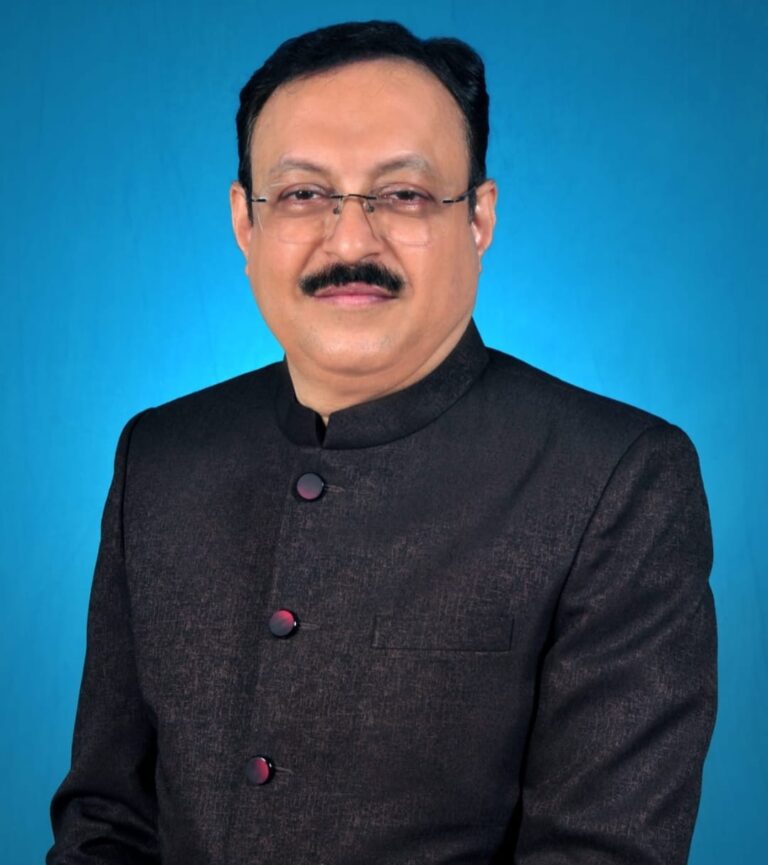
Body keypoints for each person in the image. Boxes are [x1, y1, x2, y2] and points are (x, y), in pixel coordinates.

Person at [48, 20, 717, 865]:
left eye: (403, 194)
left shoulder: (618, 480)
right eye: (302, 194)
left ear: (479, 218)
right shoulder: (162, 457)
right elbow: (107, 824)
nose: (351, 242)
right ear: (245, 223)